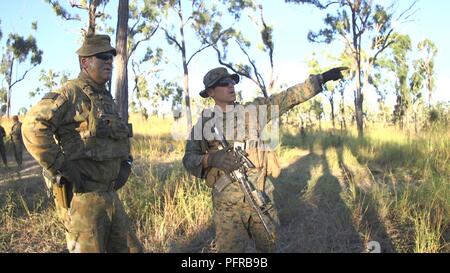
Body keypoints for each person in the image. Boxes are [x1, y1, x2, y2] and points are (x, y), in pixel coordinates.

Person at [182, 66, 347, 252]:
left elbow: (287, 98)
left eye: (233, 81)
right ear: (211, 91)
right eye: (224, 83)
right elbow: (188, 159)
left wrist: (320, 79)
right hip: (227, 204)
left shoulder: (252, 111)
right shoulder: (204, 123)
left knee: (269, 246)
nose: (231, 86)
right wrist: (211, 159)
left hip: (260, 195)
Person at [22, 33, 143, 253]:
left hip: (110, 195)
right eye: (102, 56)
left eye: (110, 56)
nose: (109, 60)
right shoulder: (70, 93)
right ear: (85, 62)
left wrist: (125, 163)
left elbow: (117, 136)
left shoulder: (106, 98)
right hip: (83, 199)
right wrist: (62, 167)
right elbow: (32, 126)